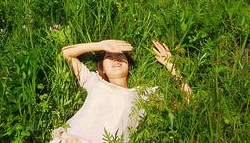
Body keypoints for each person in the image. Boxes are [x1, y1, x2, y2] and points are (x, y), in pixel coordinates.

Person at [51, 39, 192, 143]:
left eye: (121, 56)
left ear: (129, 67)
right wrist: (101, 45)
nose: (116, 59)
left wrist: (170, 65)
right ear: (102, 69)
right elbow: (66, 53)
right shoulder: (95, 82)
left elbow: (186, 102)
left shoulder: (143, 94)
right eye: (109, 57)